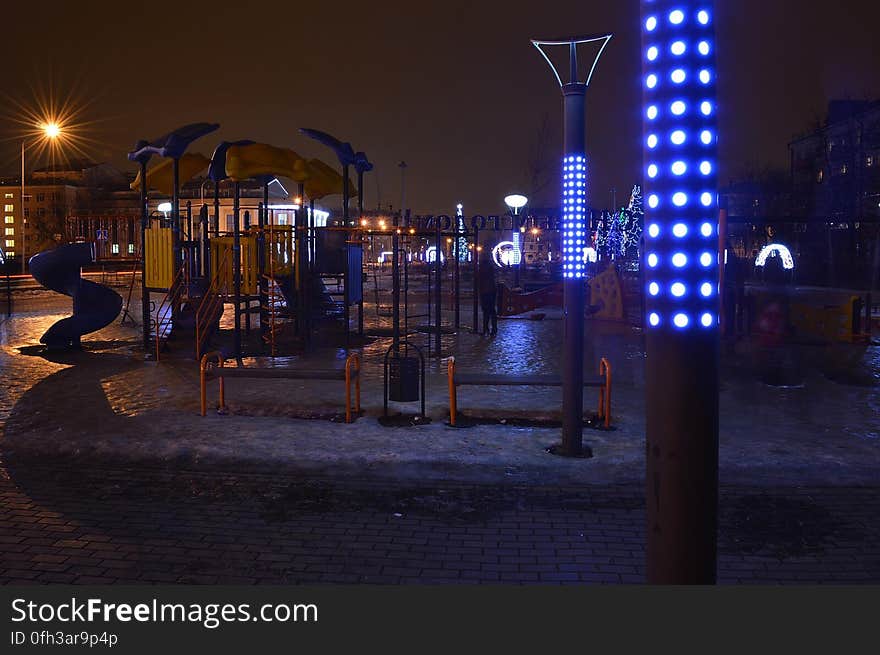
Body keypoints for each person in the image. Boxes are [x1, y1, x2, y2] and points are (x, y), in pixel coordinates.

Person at [477, 249, 498, 336]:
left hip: (485, 291)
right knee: (491, 311)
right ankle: (492, 329)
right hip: (491, 290)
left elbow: (480, 279)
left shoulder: (482, 267)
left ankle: (486, 329)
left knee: (486, 311)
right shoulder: (490, 266)